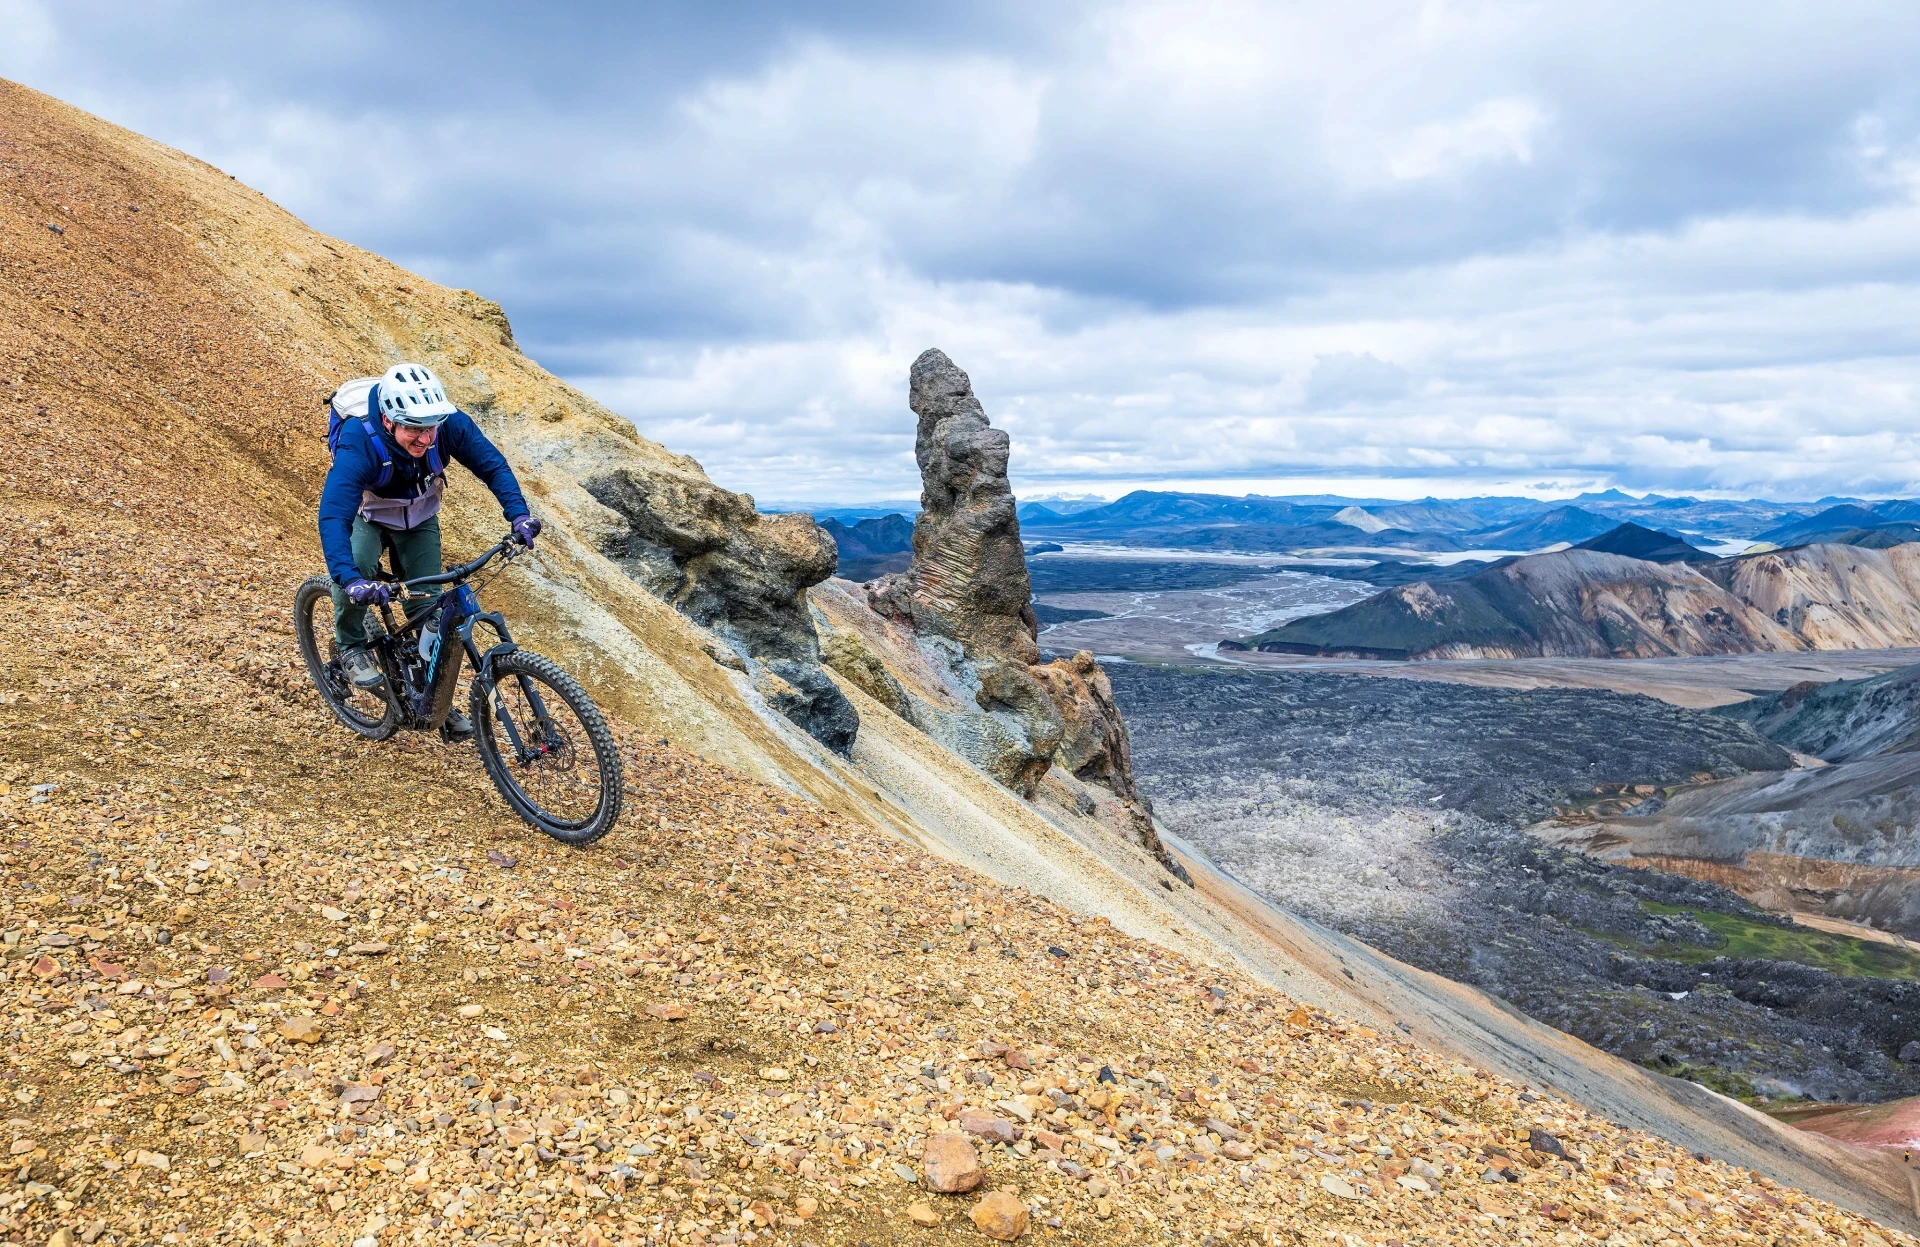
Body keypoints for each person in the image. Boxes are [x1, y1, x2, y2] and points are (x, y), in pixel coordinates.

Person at [318, 362, 542, 738]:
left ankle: (432, 702)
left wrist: (519, 515)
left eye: (430, 429)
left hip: (419, 514)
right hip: (368, 513)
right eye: (414, 431)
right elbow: (333, 515)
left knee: (429, 610)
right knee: (357, 564)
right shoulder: (360, 439)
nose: (425, 440)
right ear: (389, 421)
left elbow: (493, 467)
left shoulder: (449, 423)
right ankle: (350, 646)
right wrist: (352, 578)